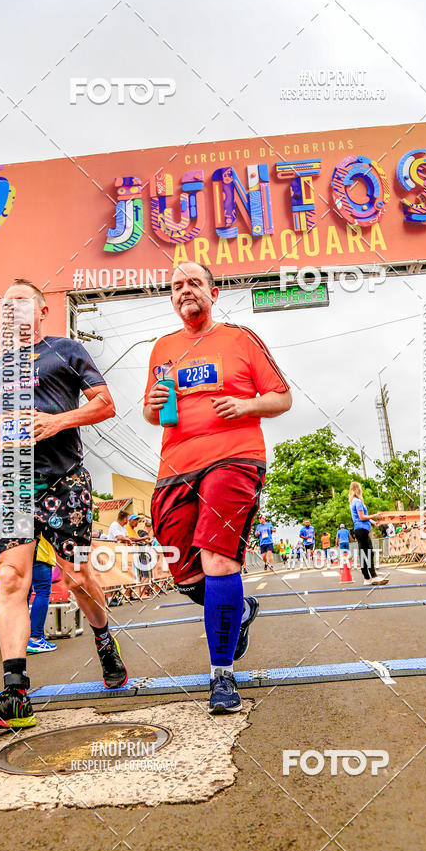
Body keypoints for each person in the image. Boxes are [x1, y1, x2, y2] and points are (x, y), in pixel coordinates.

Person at [0, 279, 127, 731]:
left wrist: (59, 421)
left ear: (40, 311)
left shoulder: (67, 350)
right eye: (4, 304)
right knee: (14, 576)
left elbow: (105, 405)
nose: (10, 309)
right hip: (12, 483)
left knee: (77, 576)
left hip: (63, 480)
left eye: (19, 302)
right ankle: (16, 694)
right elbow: (1, 424)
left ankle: (103, 638)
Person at [143, 261, 292, 714]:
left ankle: (221, 677)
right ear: (171, 298)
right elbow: (153, 414)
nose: (185, 290)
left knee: (218, 558)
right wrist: (151, 406)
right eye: (176, 285)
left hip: (235, 456)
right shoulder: (162, 349)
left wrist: (245, 403)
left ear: (214, 291)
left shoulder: (240, 338)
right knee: (185, 571)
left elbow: (282, 397)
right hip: (175, 465)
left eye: (194, 283)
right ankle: (239, 610)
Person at [349, 481, 388, 585]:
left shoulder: (353, 501)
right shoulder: (358, 502)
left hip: (359, 530)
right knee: (368, 553)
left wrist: (373, 521)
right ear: (358, 489)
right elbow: (362, 517)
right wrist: (375, 515)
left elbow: (362, 516)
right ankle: (374, 576)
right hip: (362, 530)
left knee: (363, 553)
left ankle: (366, 578)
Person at [26, 535, 57, 654]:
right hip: (38, 549)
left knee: (22, 595)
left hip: (15, 550)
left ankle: (21, 638)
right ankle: (35, 638)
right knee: (42, 591)